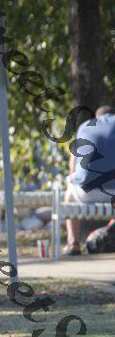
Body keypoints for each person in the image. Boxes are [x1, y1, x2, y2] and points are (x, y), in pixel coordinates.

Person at [64, 105, 115, 255]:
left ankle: (73, 244)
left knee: (69, 194)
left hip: (86, 193)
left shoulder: (85, 126)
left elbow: (73, 168)